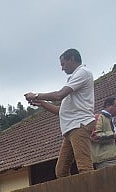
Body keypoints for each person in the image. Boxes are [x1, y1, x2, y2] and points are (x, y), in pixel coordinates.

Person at [25, 48, 95, 178]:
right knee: (61, 171)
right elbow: (61, 112)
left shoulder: (83, 72)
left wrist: (36, 95)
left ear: (72, 59)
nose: (62, 68)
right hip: (70, 128)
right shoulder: (73, 79)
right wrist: (43, 103)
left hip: (79, 124)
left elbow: (59, 95)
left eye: (63, 64)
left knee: (84, 167)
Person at [91, 96, 116, 169]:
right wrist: (113, 136)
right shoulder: (99, 117)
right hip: (105, 159)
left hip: (113, 158)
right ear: (108, 105)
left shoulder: (110, 120)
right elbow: (94, 136)